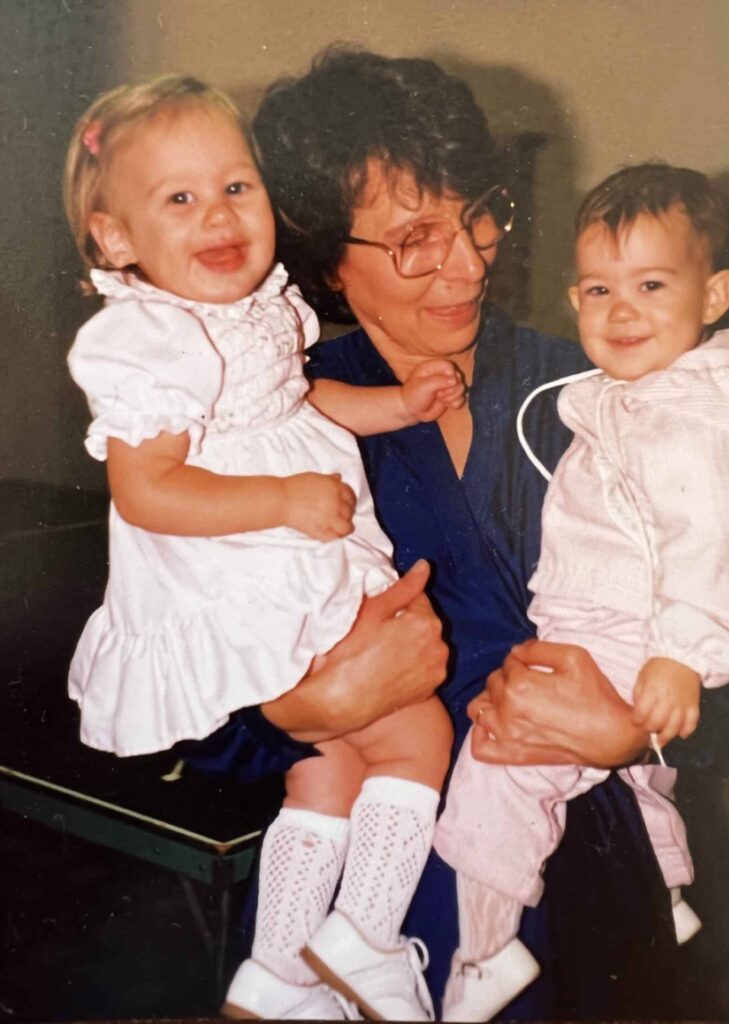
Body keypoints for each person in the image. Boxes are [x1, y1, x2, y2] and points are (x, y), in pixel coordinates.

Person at [252, 49, 681, 1020]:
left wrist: (635, 724)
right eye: (413, 237)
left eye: (478, 212)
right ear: (324, 255)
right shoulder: (262, 420)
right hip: (371, 911)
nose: (467, 260)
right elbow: (185, 686)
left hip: (589, 885)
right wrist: (292, 711)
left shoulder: (595, 387)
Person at [63, 73, 478, 1021]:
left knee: (326, 770)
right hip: (245, 574)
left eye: (236, 186)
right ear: (116, 238)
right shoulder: (150, 343)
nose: (217, 214)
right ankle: (365, 942)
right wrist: (284, 499)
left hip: (286, 567)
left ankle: (282, 974)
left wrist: (398, 405)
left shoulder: (258, 316)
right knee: (414, 734)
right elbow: (148, 488)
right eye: (179, 198)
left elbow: (298, 403)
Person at [432, 162, 729, 1018]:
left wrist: (684, 654)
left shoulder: (695, 417)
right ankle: (669, 896)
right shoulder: (627, 397)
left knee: (499, 771)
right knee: (630, 783)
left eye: (651, 285)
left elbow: (721, 542)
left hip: (632, 630)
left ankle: (482, 954)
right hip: (599, 625)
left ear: (717, 293)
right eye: (596, 290)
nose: (620, 311)